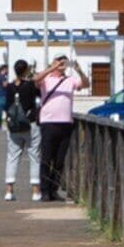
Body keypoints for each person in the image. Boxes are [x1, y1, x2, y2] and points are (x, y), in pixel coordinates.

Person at [36, 54, 81, 203]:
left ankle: (54, 190)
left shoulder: (69, 80)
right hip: (48, 123)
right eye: (59, 61)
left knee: (60, 160)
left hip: (66, 123)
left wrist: (79, 70)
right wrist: (52, 68)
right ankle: (44, 191)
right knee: (46, 159)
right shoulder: (46, 80)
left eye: (64, 61)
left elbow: (85, 84)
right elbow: (35, 80)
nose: (62, 64)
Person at [0, 60, 43, 200]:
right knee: (34, 157)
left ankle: (9, 191)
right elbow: (40, 96)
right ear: (26, 70)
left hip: (14, 126)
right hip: (30, 124)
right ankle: (35, 192)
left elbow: (5, 105)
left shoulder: (9, 87)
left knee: (12, 157)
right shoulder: (30, 86)